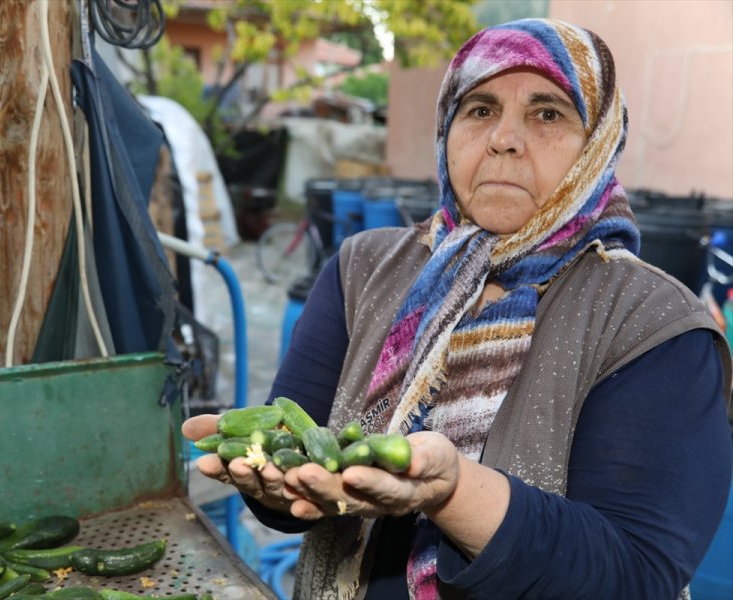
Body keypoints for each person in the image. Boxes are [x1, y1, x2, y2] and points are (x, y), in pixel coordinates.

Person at [183, 18, 732, 600]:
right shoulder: (364, 268)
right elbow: (298, 481)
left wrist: (453, 493)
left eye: (548, 113)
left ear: (597, 144)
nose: (503, 138)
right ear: (446, 132)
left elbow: (634, 575)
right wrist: (271, 486)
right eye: (479, 110)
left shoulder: (652, 322)